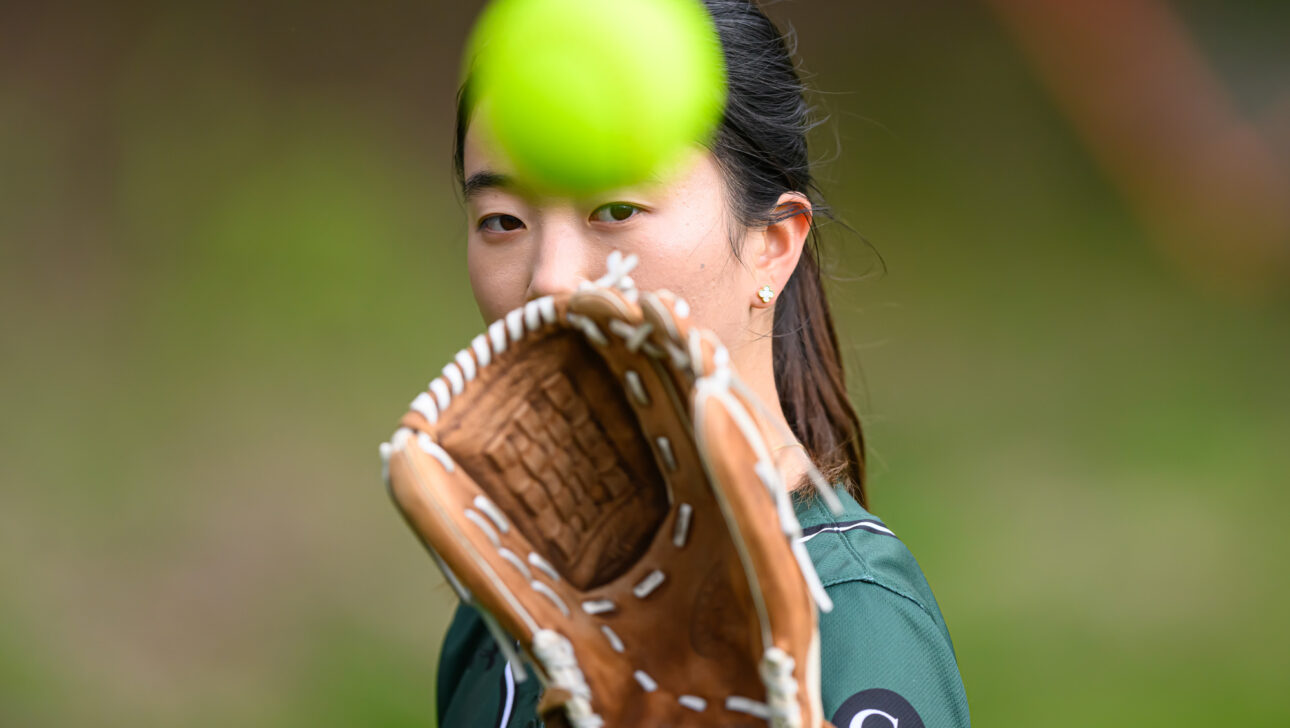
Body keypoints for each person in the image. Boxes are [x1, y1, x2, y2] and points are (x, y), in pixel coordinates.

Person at [434, 1, 970, 725]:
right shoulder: (503, 616)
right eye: (503, 222)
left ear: (773, 245)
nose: (549, 280)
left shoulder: (851, 626)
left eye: (616, 209)